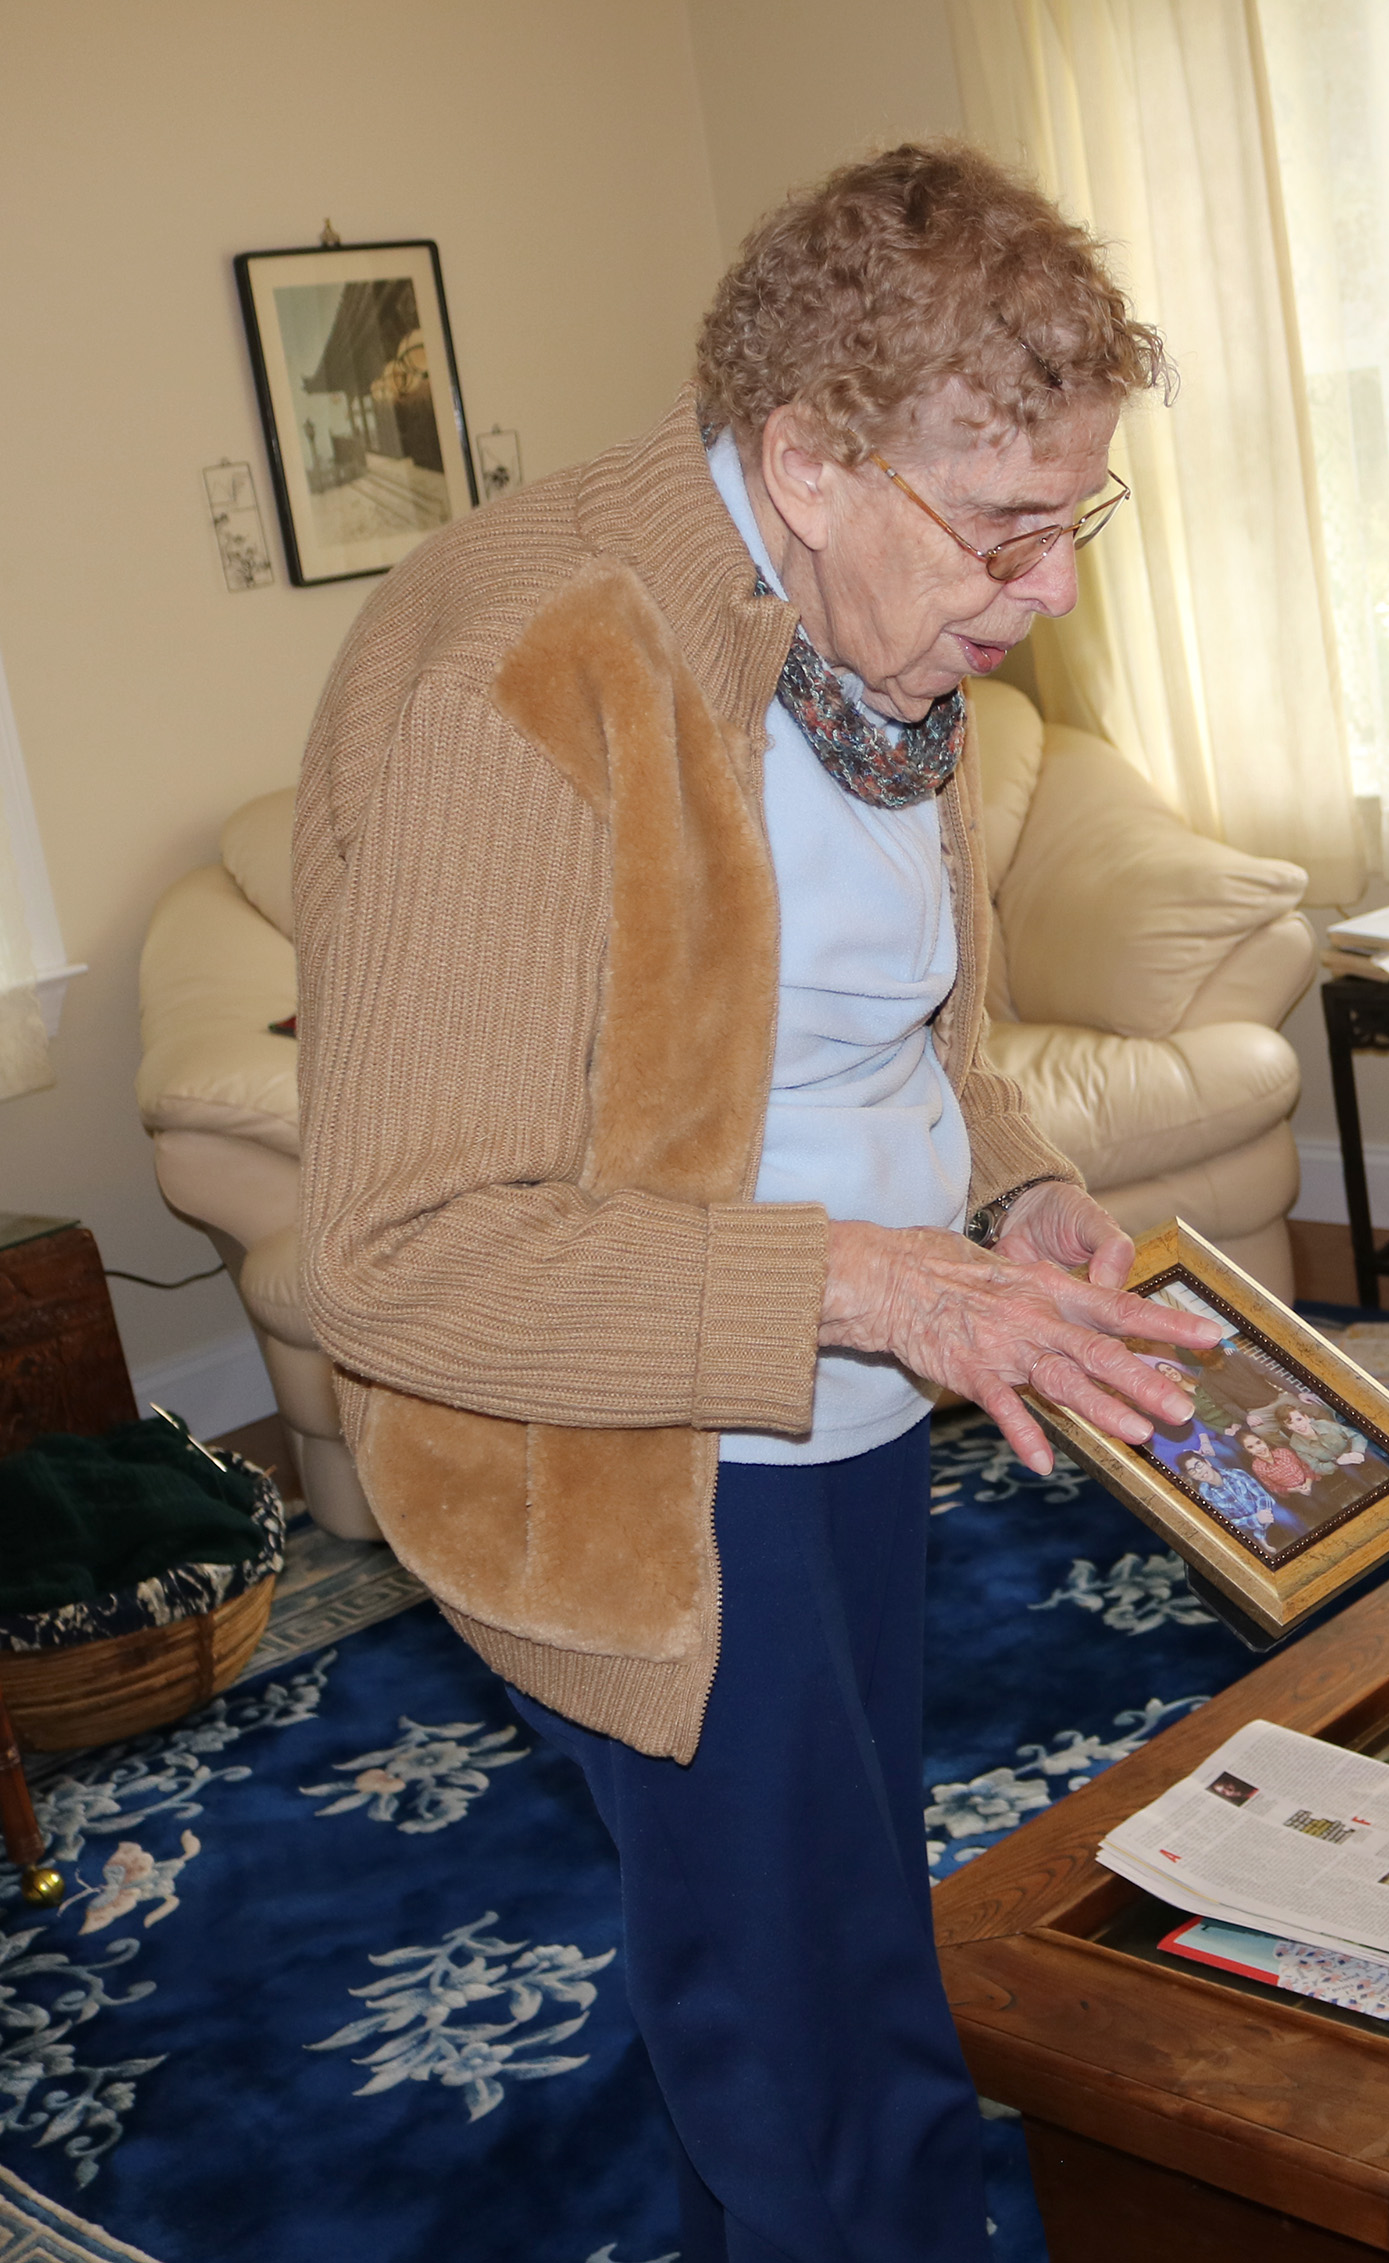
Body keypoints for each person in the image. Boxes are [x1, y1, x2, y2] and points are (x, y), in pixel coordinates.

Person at [295, 144, 1226, 2261]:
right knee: (815, 2041)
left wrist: (1022, 1198)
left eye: (1077, 515)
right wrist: (887, 1286)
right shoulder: (512, 681)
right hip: (652, 1460)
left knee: (827, 1943)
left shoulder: (884, 628)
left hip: (859, 1386)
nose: (1053, 587)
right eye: (1011, 525)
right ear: (807, 459)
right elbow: (394, 1255)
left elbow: (919, 1030)